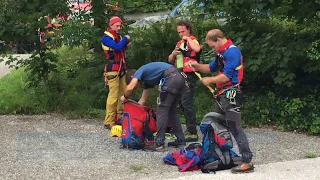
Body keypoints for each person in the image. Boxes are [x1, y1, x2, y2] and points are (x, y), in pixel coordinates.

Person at [187, 29, 254, 173]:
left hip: (231, 93)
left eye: (212, 46)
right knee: (219, 125)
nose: (212, 49)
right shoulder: (221, 53)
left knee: (235, 127)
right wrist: (195, 66)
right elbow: (209, 68)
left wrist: (210, 80)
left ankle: (247, 161)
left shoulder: (232, 52)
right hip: (222, 95)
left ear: (218, 39)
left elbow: (226, 77)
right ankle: (221, 155)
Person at [120, 62, 186, 152]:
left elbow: (130, 88)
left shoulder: (140, 71)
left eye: (135, 85)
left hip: (171, 78)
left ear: (132, 78)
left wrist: (124, 97)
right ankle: (180, 141)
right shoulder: (147, 80)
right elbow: (142, 101)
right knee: (171, 112)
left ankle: (159, 144)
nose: (136, 87)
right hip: (179, 78)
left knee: (162, 111)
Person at [168, 20, 202, 142]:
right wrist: (173, 53)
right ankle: (187, 127)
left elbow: (197, 49)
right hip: (179, 74)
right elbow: (170, 59)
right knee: (180, 102)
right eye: (179, 32)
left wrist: (188, 38)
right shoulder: (179, 43)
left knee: (187, 102)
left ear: (188, 30)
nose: (181, 34)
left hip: (189, 75)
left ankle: (192, 131)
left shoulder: (192, 40)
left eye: (183, 31)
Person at [102, 16, 131, 130]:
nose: (119, 28)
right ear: (111, 25)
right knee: (113, 95)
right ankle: (108, 121)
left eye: (120, 26)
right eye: (116, 26)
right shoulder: (106, 37)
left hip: (121, 69)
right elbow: (118, 48)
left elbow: (120, 50)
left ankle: (119, 117)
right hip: (112, 69)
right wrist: (125, 38)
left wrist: (126, 46)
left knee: (122, 94)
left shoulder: (117, 37)